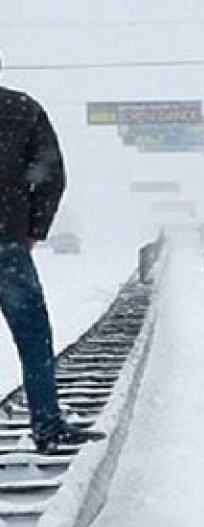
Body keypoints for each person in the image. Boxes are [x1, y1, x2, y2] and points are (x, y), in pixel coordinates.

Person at [0, 75, 105, 453]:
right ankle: (47, 426)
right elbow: (50, 174)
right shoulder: (21, 110)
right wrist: (32, 229)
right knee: (33, 339)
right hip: (6, 244)